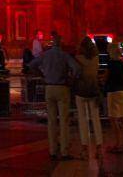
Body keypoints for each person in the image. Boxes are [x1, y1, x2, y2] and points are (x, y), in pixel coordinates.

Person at [29, 33, 80, 161]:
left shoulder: (45, 55)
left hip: (49, 87)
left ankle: (52, 150)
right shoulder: (64, 55)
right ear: (61, 43)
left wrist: (41, 75)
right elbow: (77, 68)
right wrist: (71, 80)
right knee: (64, 120)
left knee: (51, 121)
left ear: (51, 43)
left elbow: (31, 65)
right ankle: (64, 151)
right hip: (62, 88)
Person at [74, 36, 103, 165]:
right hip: (94, 90)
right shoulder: (96, 59)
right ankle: (99, 148)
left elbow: (75, 73)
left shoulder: (78, 59)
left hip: (81, 91)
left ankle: (85, 149)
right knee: (96, 120)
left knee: (83, 120)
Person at [104, 43, 123, 153]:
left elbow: (106, 76)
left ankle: (118, 144)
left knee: (113, 119)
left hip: (113, 90)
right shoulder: (121, 63)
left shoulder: (111, 63)